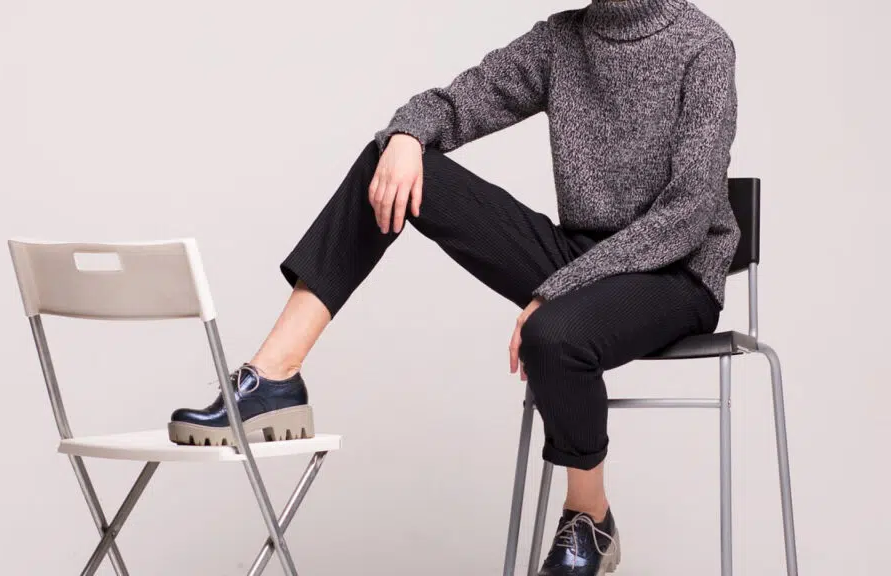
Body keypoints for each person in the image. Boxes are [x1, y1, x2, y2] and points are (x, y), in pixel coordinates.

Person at [169, 0, 739, 573]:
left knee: (551, 334)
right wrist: (406, 135)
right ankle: (274, 377)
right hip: (579, 255)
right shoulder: (562, 39)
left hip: (675, 274)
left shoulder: (703, 48)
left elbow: (686, 216)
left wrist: (560, 288)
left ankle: (589, 518)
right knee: (387, 164)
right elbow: (463, 98)